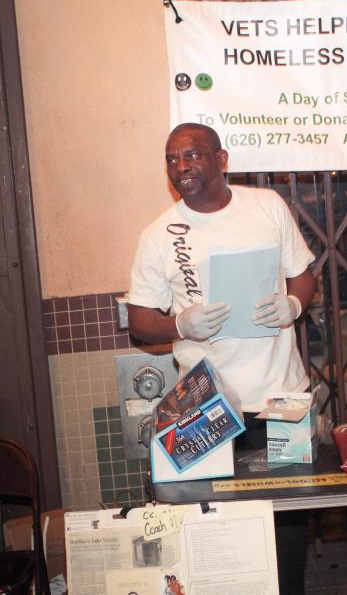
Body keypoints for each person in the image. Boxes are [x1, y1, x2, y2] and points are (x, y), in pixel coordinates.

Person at [127, 122, 315, 594]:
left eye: (192, 155)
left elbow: (303, 273)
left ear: (222, 159)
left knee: (288, 524)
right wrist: (180, 325)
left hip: (281, 399)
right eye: (172, 159)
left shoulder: (267, 207)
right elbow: (139, 321)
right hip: (204, 409)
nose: (181, 167)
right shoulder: (158, 235)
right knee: (218, 529)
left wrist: (293, 304)